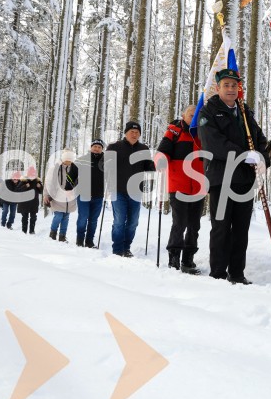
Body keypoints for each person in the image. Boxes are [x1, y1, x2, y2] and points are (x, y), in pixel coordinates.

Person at [198, 69, 268, 284]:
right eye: (226, 85)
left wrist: (263, 158)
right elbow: (213, 143)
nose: (230, 89)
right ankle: (218, 273)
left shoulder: (245, 113)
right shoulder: (208, 112)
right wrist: (244, 155)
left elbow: (260, 140)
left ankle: (237, 273)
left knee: (241, 229)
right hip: (221, 178)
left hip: (245, 180)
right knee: (221, 227)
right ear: (218, 88)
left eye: (234, 85)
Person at [156, 105, 205, 274]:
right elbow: (162, 150)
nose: (194, 117)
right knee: (180, 222)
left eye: (196, 115)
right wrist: (161, 159)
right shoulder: (174, 131)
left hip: (199, 186)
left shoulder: (203, 133)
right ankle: (174, 257)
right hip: (178, 184)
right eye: (191, 114)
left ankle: (188, 259)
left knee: (194, 225)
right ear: (184, 115)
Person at [105, 121, 156, 257]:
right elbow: (102, 165)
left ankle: (126, 248)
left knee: (133, 222)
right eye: (132, 132)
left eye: (137, 132)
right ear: (126, 133)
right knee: (120, 220)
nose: (134, 134)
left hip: (135, 191)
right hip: (118, 189)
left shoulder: (143, 149)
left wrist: (154, 166)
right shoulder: (115, 146)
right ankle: (117, 250)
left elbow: (148, 167)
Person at [75, 139, 106, 248]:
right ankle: (79, 240)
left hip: (98, 195)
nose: (97, 149)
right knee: (83, 218)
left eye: (99, 147)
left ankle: (89, 241)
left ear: (102, 149)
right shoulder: (81, 160)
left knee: (93, 220)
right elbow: (71, 175)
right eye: (95, 146)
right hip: (83, 194)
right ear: (91, 147)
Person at [44, 150, 79, 242]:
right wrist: (46, 195)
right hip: (57, 197)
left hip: (69, 198)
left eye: (70, 160)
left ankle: (62, 235)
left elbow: (79, 183)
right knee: (58, 215)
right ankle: (53, 233)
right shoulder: (55, 169)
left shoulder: (75, 169)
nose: (68, 162)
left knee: (66, 217)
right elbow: (48, 183)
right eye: (67, 159)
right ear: (63, 159)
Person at [16, 166, 43, 234]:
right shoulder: (23, 180)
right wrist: (25, 186)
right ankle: (24, 231)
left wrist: (40, 187)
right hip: (24, 202)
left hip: (34, 202)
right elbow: (18, 190)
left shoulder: (38, 181)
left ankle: (32, 231)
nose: (32, 175)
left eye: (33, 173)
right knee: (25, 217)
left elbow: (41, 192)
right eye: (31, 173)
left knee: (33, 217)